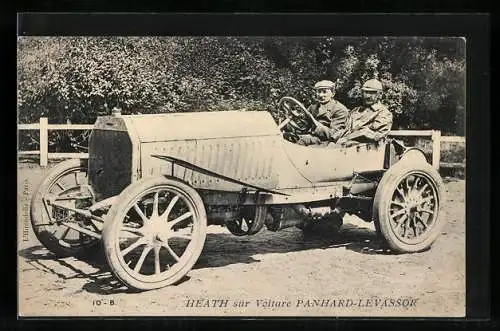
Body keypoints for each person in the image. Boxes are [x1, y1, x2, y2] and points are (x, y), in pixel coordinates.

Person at [330, 78, 393, 147]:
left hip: (370, 149)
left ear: (380, 94)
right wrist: (333, 139)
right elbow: (345, 129)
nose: (368, 96)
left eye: (372, 93)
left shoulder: (384, 113)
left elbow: (372, 135)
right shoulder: (355, 111)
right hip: (347, 146)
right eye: (365, 92)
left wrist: (347, 138)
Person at [295, 80, 350, 146]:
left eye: (324, 92)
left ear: (333, 93)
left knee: (301, 143)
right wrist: (296, 118)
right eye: (318, 91)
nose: (321, 95)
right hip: (309, 136)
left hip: (326, 142)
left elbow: (334, 134)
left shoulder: (340, 110)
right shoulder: (313, 107)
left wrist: (315, 126)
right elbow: (303, 125)